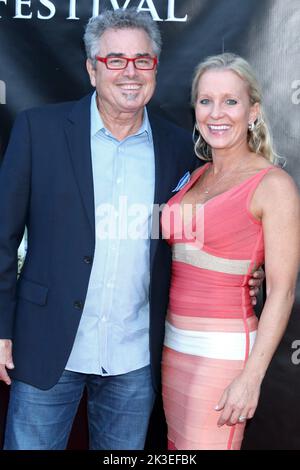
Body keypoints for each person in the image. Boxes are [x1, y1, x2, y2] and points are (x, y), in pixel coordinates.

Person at [0, 10, 263, 450]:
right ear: (91, 68)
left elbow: (207, 232)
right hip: (46, 346)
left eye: (143, 60)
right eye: (115, 60)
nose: (130, 72)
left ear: (155, 69)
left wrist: (247, 277)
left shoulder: (181, 148)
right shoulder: (38, 131)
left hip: (136, 358)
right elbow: (3, 238)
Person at [161, 53, 300, 450]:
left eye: (231, 101)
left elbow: (282, 293)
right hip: (174, 348)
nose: (216, 113)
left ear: (253, 110)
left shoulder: (273, 185)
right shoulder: (197, 174)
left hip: (223, 357)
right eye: (206, 101)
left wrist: (250, 378)